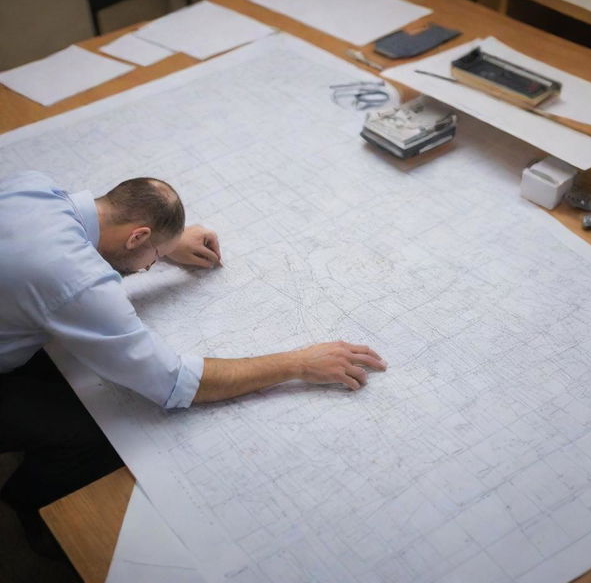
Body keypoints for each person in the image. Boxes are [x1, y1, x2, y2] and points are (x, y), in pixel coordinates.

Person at [0, 170, 386, 556]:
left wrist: (164, 243)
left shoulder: (32, 186)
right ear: (138, 236)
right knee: (96, 431)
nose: (149, 267)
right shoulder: (77, 282)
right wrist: (298, 363)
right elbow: (175, 383)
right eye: (152, 260)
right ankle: (39, 516)